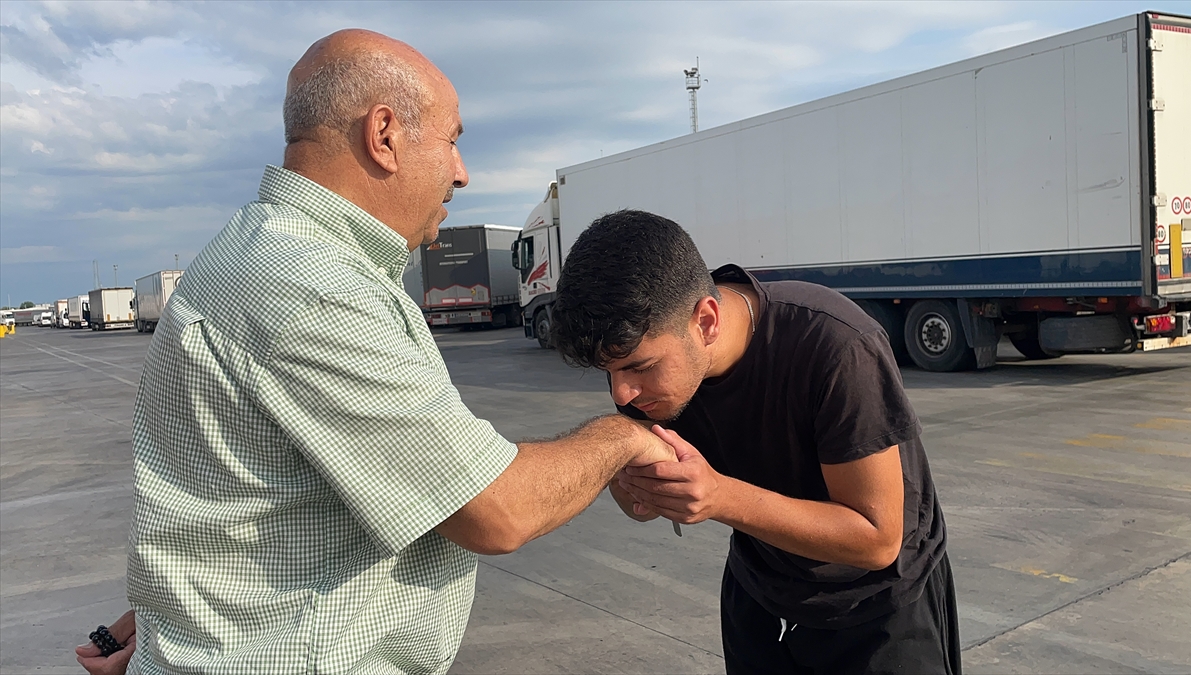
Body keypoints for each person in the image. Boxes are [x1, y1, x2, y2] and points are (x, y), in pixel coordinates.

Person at [79, 31, 673, 675]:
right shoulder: (314, 288)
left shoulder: (242, 254)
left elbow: (231, 493)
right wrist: (622, 438)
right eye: (452, 139)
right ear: (384, 134)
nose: (462, 171)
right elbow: (499, 512)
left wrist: (169, 615)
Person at [550, 210, 961, 675]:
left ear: (706, 321)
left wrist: (719, 496)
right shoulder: (652, 362)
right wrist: (640, 483)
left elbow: (876, 539)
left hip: (877, 611)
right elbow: (637, 507)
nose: (621, 393)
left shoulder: (835, 348)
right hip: (759, 598)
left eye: (639, 368)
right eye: (608, 373)